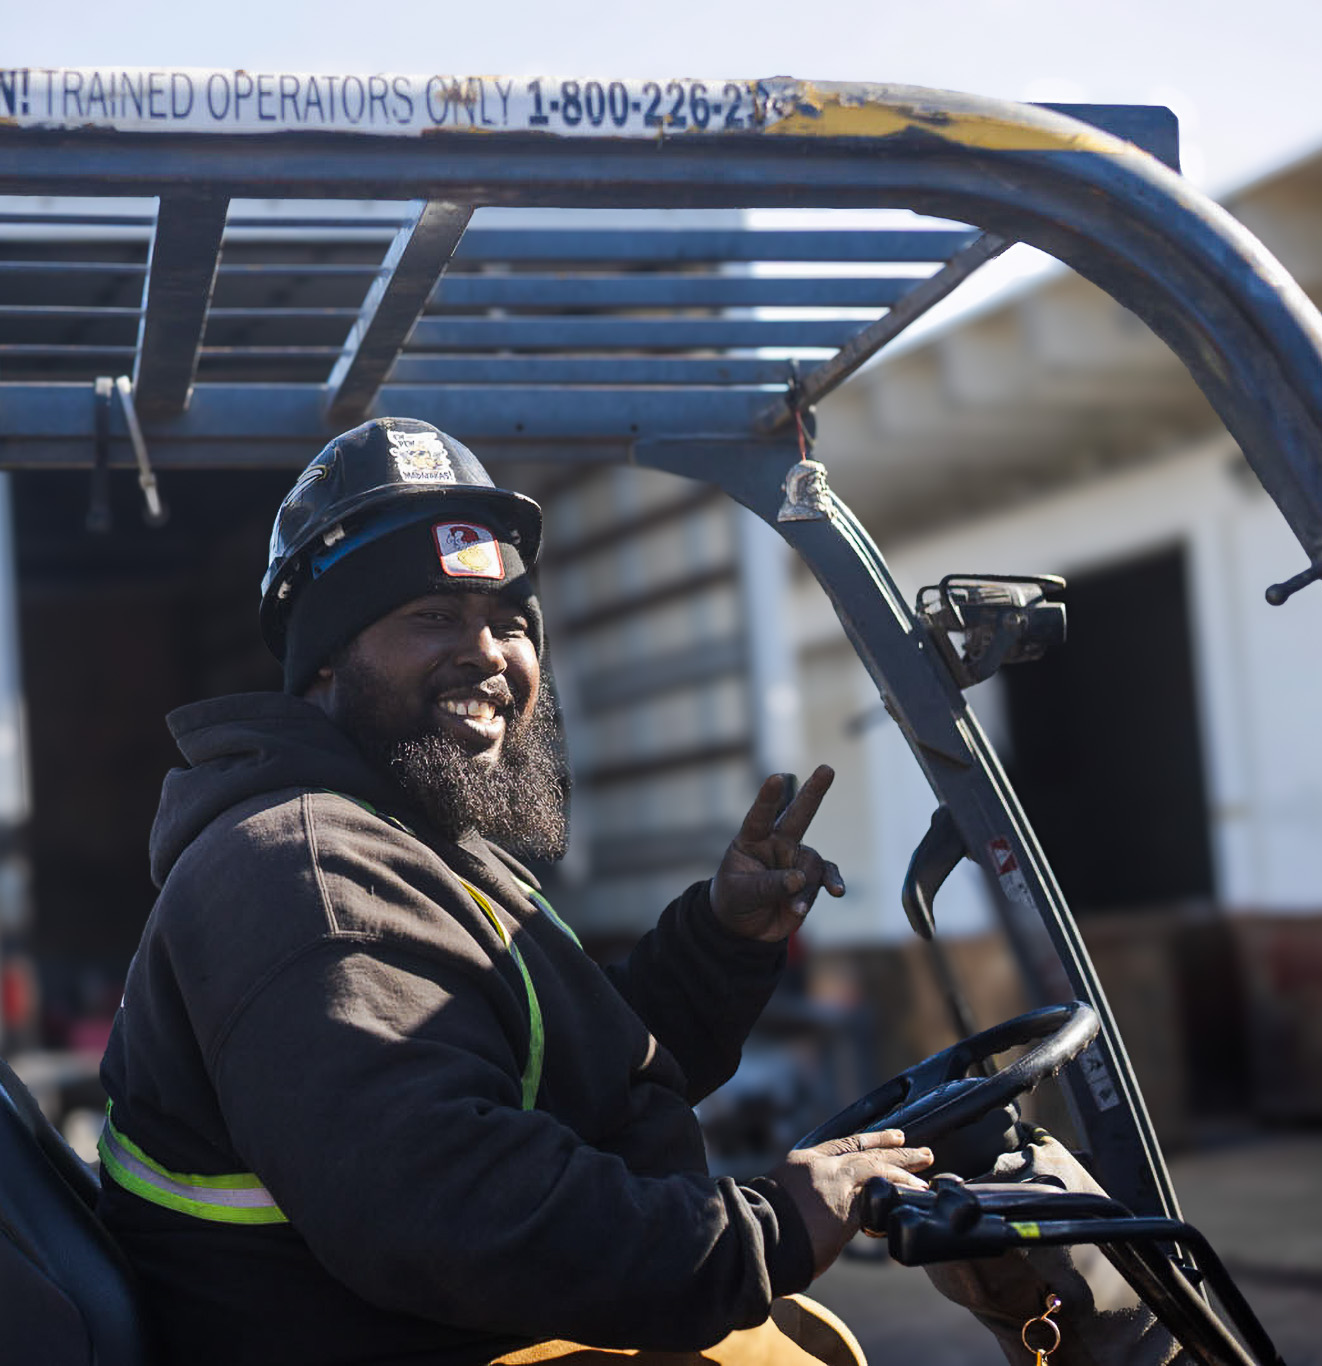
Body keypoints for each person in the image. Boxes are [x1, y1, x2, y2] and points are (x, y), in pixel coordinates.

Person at [96, 418, 933, 1365]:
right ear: (326, 660)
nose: (490, 654)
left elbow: (566, 1073)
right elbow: (445, 1210)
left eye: (511, 622)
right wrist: (766, 1231)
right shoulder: (308, 875)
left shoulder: (410, 842)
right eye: (433, 617)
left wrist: (721, 937)